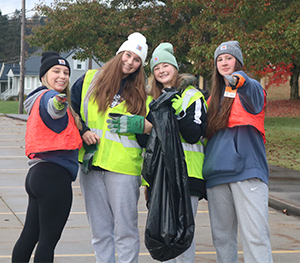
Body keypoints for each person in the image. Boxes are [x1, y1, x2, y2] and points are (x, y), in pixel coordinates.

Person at [71, 32, 151, 263]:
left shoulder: (141, 94)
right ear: (119, 54)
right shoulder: (89, 80)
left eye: (137, 60)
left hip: (123, 168)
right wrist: (83, 131)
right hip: (92, 164)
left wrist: (143, 127)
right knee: (100, 231)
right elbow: (72, 113)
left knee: (125, 231)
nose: (130, 62)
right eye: (128, 55)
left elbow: (150, 136)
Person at [203, 41, 273, 263]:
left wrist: (240, 80)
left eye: (229, 58)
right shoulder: (212, 99)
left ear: (238, 62)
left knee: (256, 237)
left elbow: (251, 89)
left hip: (247, 171)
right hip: (217, 176)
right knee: (222, 239)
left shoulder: (250, 90)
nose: (224, 62)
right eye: (220, 59)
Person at [12, 51, 83, 263]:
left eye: (66, 72)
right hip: (54, 178)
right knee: (47, 241)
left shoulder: (36, 98)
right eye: (56, 71)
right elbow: (54, 108)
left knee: (29, 236)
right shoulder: (50, 97)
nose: (62, 76)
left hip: (37, 175)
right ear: (44, 76)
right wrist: (60, 102)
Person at [146, 42, 208, 263]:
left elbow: (194, 134)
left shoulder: (192, 96)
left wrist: (176, 110)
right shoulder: (152, 100)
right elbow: (149, 139)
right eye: (156, 68)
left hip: (187, 175)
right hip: (161, 176)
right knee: (164, 235)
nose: (162, 71)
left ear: (175, 67)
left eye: (166, 65)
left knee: (182, 236)